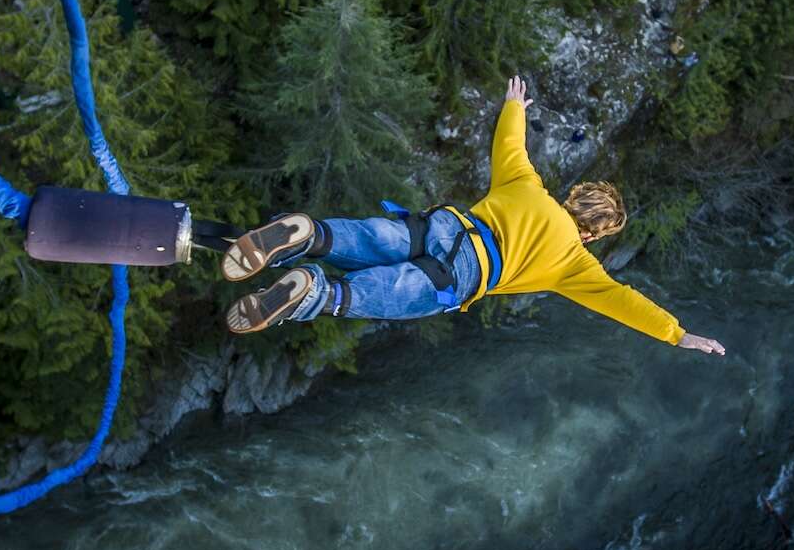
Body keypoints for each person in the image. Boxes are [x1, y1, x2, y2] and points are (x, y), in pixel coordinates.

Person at [221, 75, 726, 356]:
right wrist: (677, 333)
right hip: (463, 275)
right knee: (371, 295)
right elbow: (622, 302)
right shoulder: (575, 264)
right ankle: (313, 291)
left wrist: (515, 105)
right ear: (593, 234)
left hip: (445, 227)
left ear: (573, 198)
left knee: (373, 238)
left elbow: (510, 143)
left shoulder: (526, 185)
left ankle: (310, 234)